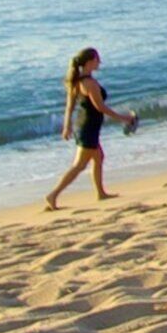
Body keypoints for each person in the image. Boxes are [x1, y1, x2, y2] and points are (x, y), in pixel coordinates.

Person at [40, 47, 136, 210]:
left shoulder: (77, 81)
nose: (100, 62)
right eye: (97, 59)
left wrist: (67, 126)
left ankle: (101, 193)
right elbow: (100, 107)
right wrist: (124, 118)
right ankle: (53, 195)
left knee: (98, 158)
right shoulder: (89, 83)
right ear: (90, 61)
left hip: (83, 126)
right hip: (88, 128)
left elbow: (69, 107)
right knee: (79, 166)